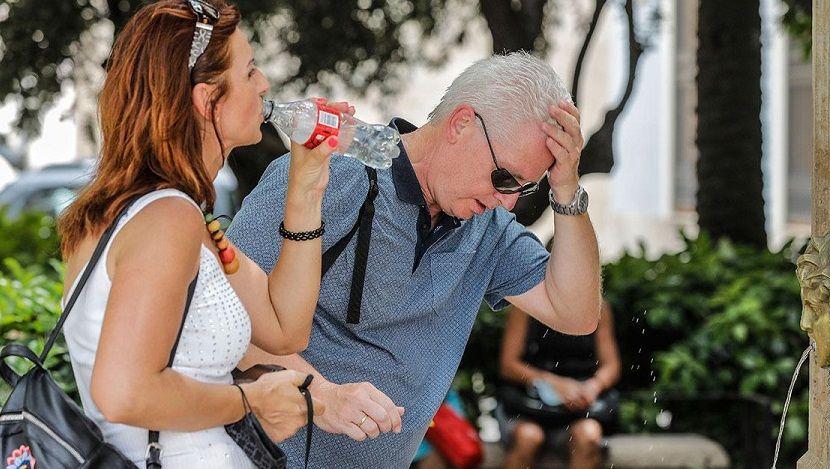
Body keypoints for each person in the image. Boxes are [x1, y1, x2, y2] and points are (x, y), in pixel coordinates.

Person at [229, 51, 602, 468]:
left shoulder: (490, 228)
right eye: (505, 178)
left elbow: (577, 314)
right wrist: (320, 395)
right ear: (461, 124)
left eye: (525, 188)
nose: (508, 201)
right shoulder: (325, 175)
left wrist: (566, 192)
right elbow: (222, 316)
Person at [56, 0, 348, 466]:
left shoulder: (171, 211)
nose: (264, 83)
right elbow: (124, 392)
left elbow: (285, 328)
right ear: (207, 99)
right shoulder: (166, 217)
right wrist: (252, 400)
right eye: (249, 71)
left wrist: (307, 187)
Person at [498, 301, 621, 469]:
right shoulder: (525, 304)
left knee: (588, 435)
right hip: (527, 407)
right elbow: (508, 365)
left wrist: (592, 387)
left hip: (578, 407)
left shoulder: (598, 306)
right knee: (528, 437)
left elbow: (611, 366)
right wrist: (552, 384)